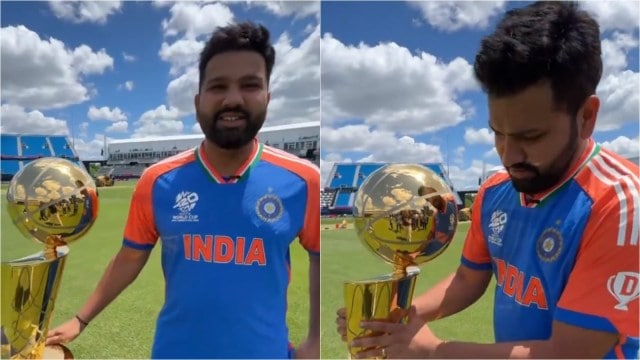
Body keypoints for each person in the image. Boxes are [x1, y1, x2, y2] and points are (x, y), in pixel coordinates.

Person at [336, 2, 639, 358]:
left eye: (531, 136)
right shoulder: (496, 191)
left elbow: (569, 353)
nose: (509, 157)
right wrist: (399, 316)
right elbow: (469, 278)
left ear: (586, 117)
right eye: (498, 133)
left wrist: (431, 350)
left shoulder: (622, 206)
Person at [46, 21, 320, 359]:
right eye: (218, 86)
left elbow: (319, 256)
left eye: (249, 85)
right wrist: (80, 318)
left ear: (267, 96)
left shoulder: (304, 180)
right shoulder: (158, 180)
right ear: (198, 100)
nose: (233, 99)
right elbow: (131, 256)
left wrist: (316, 340)